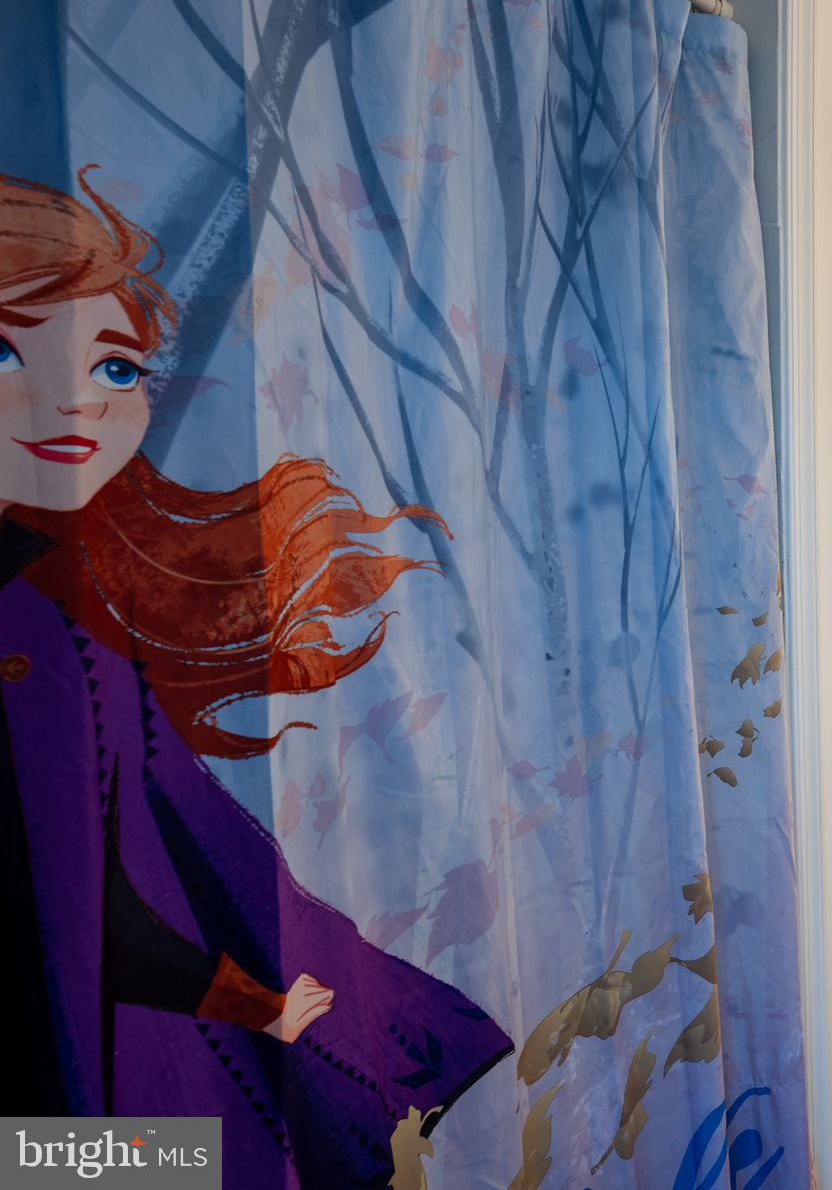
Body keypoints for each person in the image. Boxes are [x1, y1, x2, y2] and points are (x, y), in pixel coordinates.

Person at [0, 169, 511, 1187]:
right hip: (70, 1080)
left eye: (113, 366)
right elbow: (75, 902)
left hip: (90, 1075)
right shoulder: (38, 637)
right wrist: (251, 1000)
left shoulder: (55, 621)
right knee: (169, 1159)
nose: (68, 399)